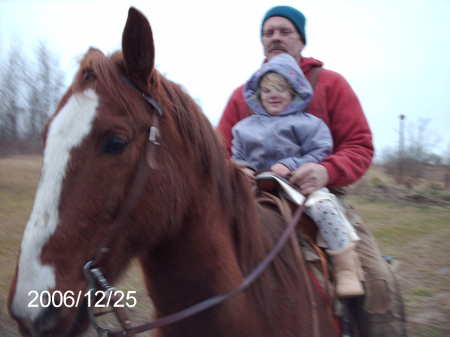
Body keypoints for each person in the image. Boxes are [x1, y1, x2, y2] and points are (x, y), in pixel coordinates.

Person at [217, 5, 405, 336]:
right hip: (252, 198)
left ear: (301, 40)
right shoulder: (242, 95)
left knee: (378, 281)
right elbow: (220, 152)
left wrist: (326, 170)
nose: (275, 37)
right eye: (268, 32)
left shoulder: (331, 84)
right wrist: (235, 170)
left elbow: (359, 146)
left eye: (284, 31)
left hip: (319, 196)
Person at [232, 52, 364, 298]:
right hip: (256, 186)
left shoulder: (308, 123)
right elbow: (235, 154)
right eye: (268, 89)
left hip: (297, 183)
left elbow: (320, 150)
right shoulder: (243, 127)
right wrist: (242, 168)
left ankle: (346, 268)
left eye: (281, 89)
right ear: (258, 94)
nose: (273, 94)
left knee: (325, 206)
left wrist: (292, 164)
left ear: (294, 92)